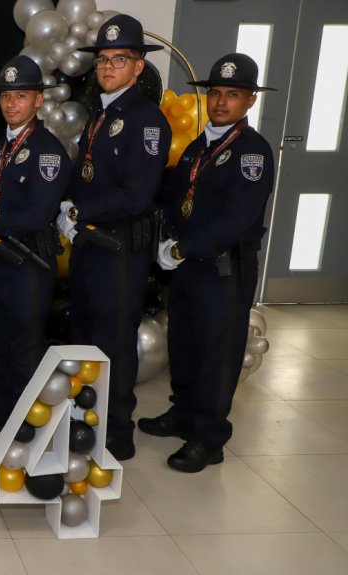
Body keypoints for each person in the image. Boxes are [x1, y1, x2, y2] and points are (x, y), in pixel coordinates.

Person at [139, 53, 276, 472]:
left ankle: (209, 437)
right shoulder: (202, 144)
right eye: (215, 93)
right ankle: (182, 413)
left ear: (249, 101)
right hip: (189, 265)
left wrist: (181, 249)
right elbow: (178, 197)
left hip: (223, 268)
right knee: (185, 343)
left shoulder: (252, 152)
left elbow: (237, 219)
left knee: (218, 353)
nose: (220, 102)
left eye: (232, 95)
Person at [55, 14, 172, 460]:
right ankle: (88, 416)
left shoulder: (145, 120)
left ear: (138, 66)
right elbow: (89, 176)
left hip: (120, 250)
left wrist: (82, 210)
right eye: (102, 59)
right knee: (84, 335)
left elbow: (137, 195)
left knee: (115, 342)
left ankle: (117, 428)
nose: (107, 67)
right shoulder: (101, 114)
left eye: (118, 59)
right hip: (90, 245)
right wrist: (68, 204)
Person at [0, 56, 72, 450]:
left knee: (25, 347)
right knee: (2, 342)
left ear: (38, 100)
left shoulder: (46, 150)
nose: (11, 104)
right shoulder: (2, 146)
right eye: (6, 96)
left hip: (28, 264)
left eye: (21, 96)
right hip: (0, 261)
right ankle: (4, 409)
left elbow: (37, 213)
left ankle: (24, 425)